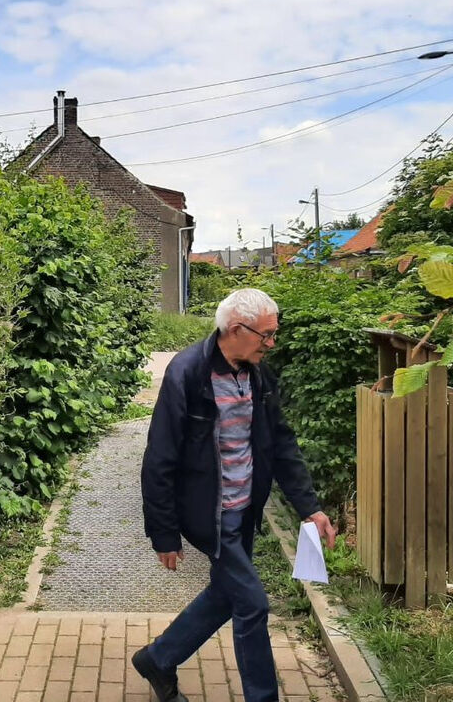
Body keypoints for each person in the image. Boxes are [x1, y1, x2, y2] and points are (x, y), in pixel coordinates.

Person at [135, 288, 337, 702]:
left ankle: (158, 658)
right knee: (253, 604)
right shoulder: (188, 373)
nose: (271, 343)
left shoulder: (258, 375)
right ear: (236, 329)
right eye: (266, 335)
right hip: (208, 515)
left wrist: (310, 508)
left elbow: (280, 444)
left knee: (226, 595)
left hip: (244, 511)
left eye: (274, 333)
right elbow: (159, 458)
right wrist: (164, 533)